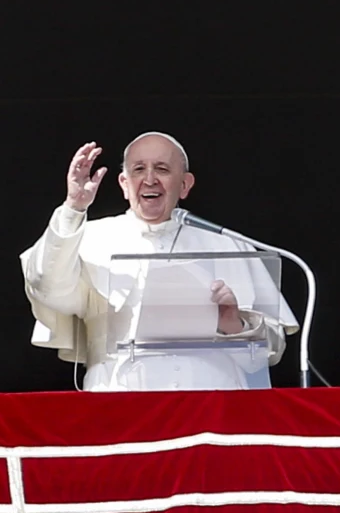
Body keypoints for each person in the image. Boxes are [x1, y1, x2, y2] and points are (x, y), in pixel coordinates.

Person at [20, 132, 298, 391]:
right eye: (138, 169)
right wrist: (73, 208)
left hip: (211, 404)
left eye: (162, 169)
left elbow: (270, 353)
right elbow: (48, 290)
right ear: (124, 184)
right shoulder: (88, 238)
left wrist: (233, 324)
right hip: (119, 403)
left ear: (185, 184)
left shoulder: (229, 245)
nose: (150, 179)